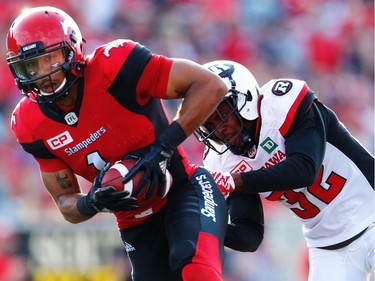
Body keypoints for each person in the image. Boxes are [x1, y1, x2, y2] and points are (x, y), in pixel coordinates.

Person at [6, 6, 230, 281]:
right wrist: (91, 202)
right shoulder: (29, 123)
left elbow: (211, 85)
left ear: (72, 50)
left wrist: (163, 147)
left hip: (184, 190)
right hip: (134, 223)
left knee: (195, 268)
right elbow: (65, 202)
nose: (43, 74)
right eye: (31, 66)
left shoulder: (115, 65)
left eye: (50, 59)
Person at [195, 60, 375, 281]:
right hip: (328, 246)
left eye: (222, 114)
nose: (219, 129)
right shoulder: (222, 161)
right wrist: (201, 225)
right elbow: (249, 236)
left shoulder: (281, 103)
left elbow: (304, 169)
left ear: (245, 99)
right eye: (209, 125)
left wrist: (234, 181)